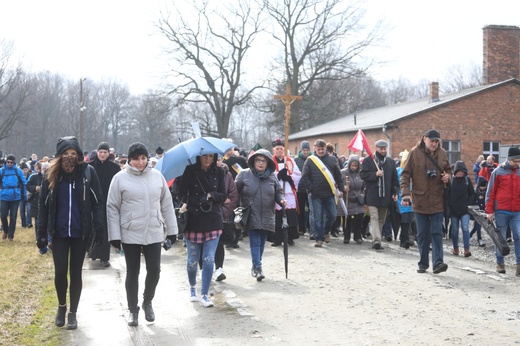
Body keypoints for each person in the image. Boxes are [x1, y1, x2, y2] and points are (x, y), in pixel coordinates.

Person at [36, 136, 105, 330]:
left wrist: (99, 227)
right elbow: (42, 205)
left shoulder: (87, 173)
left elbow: (98, 202)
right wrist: (40, 233)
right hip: (58, 233)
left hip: (80, 233)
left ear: (79, 154)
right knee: (60, 273)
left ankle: (73, 313)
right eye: (65, 153)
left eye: (73, 153)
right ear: (59, 155)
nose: (69, 157)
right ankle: (61, 306)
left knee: (76, 274)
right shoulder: (51, 174)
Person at [107, 142, 177, 326]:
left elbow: (167, 204)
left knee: (154, 269)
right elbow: (112, 207)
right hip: (130, 231)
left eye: (143, 158)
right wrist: (114, 235)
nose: (140, 162)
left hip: (153, 229)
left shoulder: (157, 177)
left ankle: (148, 301)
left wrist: (172, 231)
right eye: (136, 158)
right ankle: (133, 310)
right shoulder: (120, 178)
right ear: (129, 160)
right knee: (133, 272)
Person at [177, 153, 227, 307]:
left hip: (213, 219)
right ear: (199, 157)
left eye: (211, 156)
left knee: (208, 259)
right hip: (193, 219)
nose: (207, 159)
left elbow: (224, 195)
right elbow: (180, 194)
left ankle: (205, 294)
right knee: (192, 260)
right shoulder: (190, 170)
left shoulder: (219, 172)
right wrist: (195, 201)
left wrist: (211, 196)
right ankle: (192, 287)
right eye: (204, 156)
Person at [401, 129, 452, 274]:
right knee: (422, 234)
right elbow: (405, 175)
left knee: (436, 232)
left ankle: (438, 263)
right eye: (432, 141)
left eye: (437, 141)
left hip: (437, 200)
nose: (434, 144)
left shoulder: (442, 153)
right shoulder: (414, 153)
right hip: (420, 200)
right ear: (424, 139)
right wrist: (405, 194)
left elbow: (449, 170)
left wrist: (447, 177)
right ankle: (423, 263)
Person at [235, 149, 285, 281]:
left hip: (268, 214)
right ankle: (257, 267)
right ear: (253, 161)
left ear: (268, 163)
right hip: (251, 213)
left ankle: (256, 265)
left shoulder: (272, 176)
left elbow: (278, 192)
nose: (261, 163)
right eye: (258, 160)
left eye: (264, 160)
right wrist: (232, 208)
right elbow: (234, 192)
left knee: (262, 242)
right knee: (255, 241)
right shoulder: (243, 175)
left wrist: (281, 200)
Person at [301, 139, 344, 247]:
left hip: (330, 194)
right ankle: (319, 238)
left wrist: (341, 189)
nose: (320, 151)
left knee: (333, 215)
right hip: (315, 195)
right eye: (318, 149)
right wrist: (311, 188)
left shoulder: (333, 159)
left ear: (326, 148)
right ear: (315, 149)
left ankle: (326, 232)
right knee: (318, 217)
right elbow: (305, 176)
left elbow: (338, 176)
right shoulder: (310, 160)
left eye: (322, 149)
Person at [485, 146, 520, 276]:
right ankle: (500, 263)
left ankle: (519, 265)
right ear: (509, 159)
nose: (518, 164)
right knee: (501, 238)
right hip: (501, 211)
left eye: (519, 161)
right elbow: (490, 193)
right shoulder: (498, 172)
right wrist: (489, 211)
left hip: (517, 211)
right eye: (516, 161)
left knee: (519, 236)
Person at [360, 140, 399, 250]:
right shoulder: (368, 161)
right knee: (374, 217)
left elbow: (395, 180)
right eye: (381, 149)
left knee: (381, 219)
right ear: (376, 148)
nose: (383, 151)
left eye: (384, 149)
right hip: (373, 195)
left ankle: (376, 238)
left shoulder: (390, 162)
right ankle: (376, 241)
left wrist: (395, 192)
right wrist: (375, 174)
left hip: (386, 196)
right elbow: (363, 175)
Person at [88, 141, 121, 267]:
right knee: (93, 227)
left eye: (105, 152)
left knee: (105, 228)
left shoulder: (114, 168)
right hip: (93, 201)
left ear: (109, 153)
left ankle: (104, 256)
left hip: (108, 201)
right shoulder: (90, 167)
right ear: (97, 152)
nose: (102, 154)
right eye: (100, 152)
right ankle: (93, 251)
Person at [213, 158, 239, 281]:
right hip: (204, 215)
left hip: (221, 215)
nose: (216, 162)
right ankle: (204, 269)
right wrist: (222, 199)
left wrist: (222, 212)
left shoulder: (227, 174)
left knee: (219, 243)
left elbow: (233, 196)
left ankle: (219, 268)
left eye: (218, 159)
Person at [270, 138, 301, 247]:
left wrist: (288, 177)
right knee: (278, 215)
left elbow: (298, 174)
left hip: (288, 190)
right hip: (276, 192)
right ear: (273, 150)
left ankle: (290, 237)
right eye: (277, 149)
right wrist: (278, 175)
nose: (279, 151)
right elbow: (267, 175)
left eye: (281, 149)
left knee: (290, 215)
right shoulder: (270, 161)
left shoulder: (290, 161)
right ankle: (277, 238)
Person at [222, 144, 249, 248]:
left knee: (238, 216)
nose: (229, 151)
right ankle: (228, 239)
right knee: (228, 217)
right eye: (227, 149)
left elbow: (247, 171)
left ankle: (236, 239)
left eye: (231, 149)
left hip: (240, 192)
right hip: (227, 194)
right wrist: (232, 159)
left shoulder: (240, 160)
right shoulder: (222, 162)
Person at [448, 161, 475, 257]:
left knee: (465, 228)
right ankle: (456, 248)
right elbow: (447, 195)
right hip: (453, 210)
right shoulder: (451, 181)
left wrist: (468, 203)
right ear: (455, 172)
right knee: (454, 230)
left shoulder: (467, 180)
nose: (460, 173)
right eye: (458, 171)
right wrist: (449, 206)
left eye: (462, 172)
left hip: (465, 210)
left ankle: (467, 249)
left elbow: (472, 193)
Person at [1, 154, 27, 241]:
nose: (9, 163)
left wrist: (23, 195)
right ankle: (5, 230)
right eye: (8, 162)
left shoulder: (18, 171)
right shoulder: (1, 171)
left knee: (13, 216)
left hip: (15, 197)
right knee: (3, 215)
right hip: (3, 196)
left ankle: (10, 235)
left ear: (14, 162)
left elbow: (24, 183)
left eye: (11, 162)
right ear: (6, 161)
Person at [343, 155, 365, 245]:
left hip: (358, 199)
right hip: (348, 198)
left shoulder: (361, 174)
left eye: (356, 166)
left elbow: (364, 186)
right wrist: (344, 188)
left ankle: (357, 236)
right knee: (347, 219)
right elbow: (338, 184)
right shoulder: (343, 173)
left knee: (359, 217)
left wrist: (363, 194)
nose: (354, 168)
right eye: (352, 166)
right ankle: (346, 236)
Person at [294, 140, 312, 236]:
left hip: (310, 189)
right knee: (300, 209)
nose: (306, 152)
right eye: (304, 150)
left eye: (307, 150)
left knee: (311, 209)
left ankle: (310, 227)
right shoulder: (296, 160)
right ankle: (301, 227)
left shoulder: (313, 159)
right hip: (300, 189)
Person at [396, 152, 414, 249]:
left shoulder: (414, 172)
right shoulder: (398, 171)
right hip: (400, 199)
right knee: (404, 220)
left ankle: (405, 238)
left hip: (412, 200)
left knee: (409, 220)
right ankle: (404, 240)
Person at [469, 176, 487, 247]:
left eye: (484, 186)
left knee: (476, 227)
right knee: (478, 225)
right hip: (476, 212)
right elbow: (472, 202)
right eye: (481, 186)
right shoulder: (475, 193)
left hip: (483, 212)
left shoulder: (486, 193)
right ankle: (480, 239)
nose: (483, 188)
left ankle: (468, 237)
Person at [19, 162, 32, 228]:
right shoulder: (19, 177)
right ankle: (23, 224)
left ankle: (29, 223)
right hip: (21, 196)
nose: (25, 171)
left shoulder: (31, 176)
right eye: (23, 169)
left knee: (29, 210)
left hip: (28, 196)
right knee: (22, 211)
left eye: (26, 169)